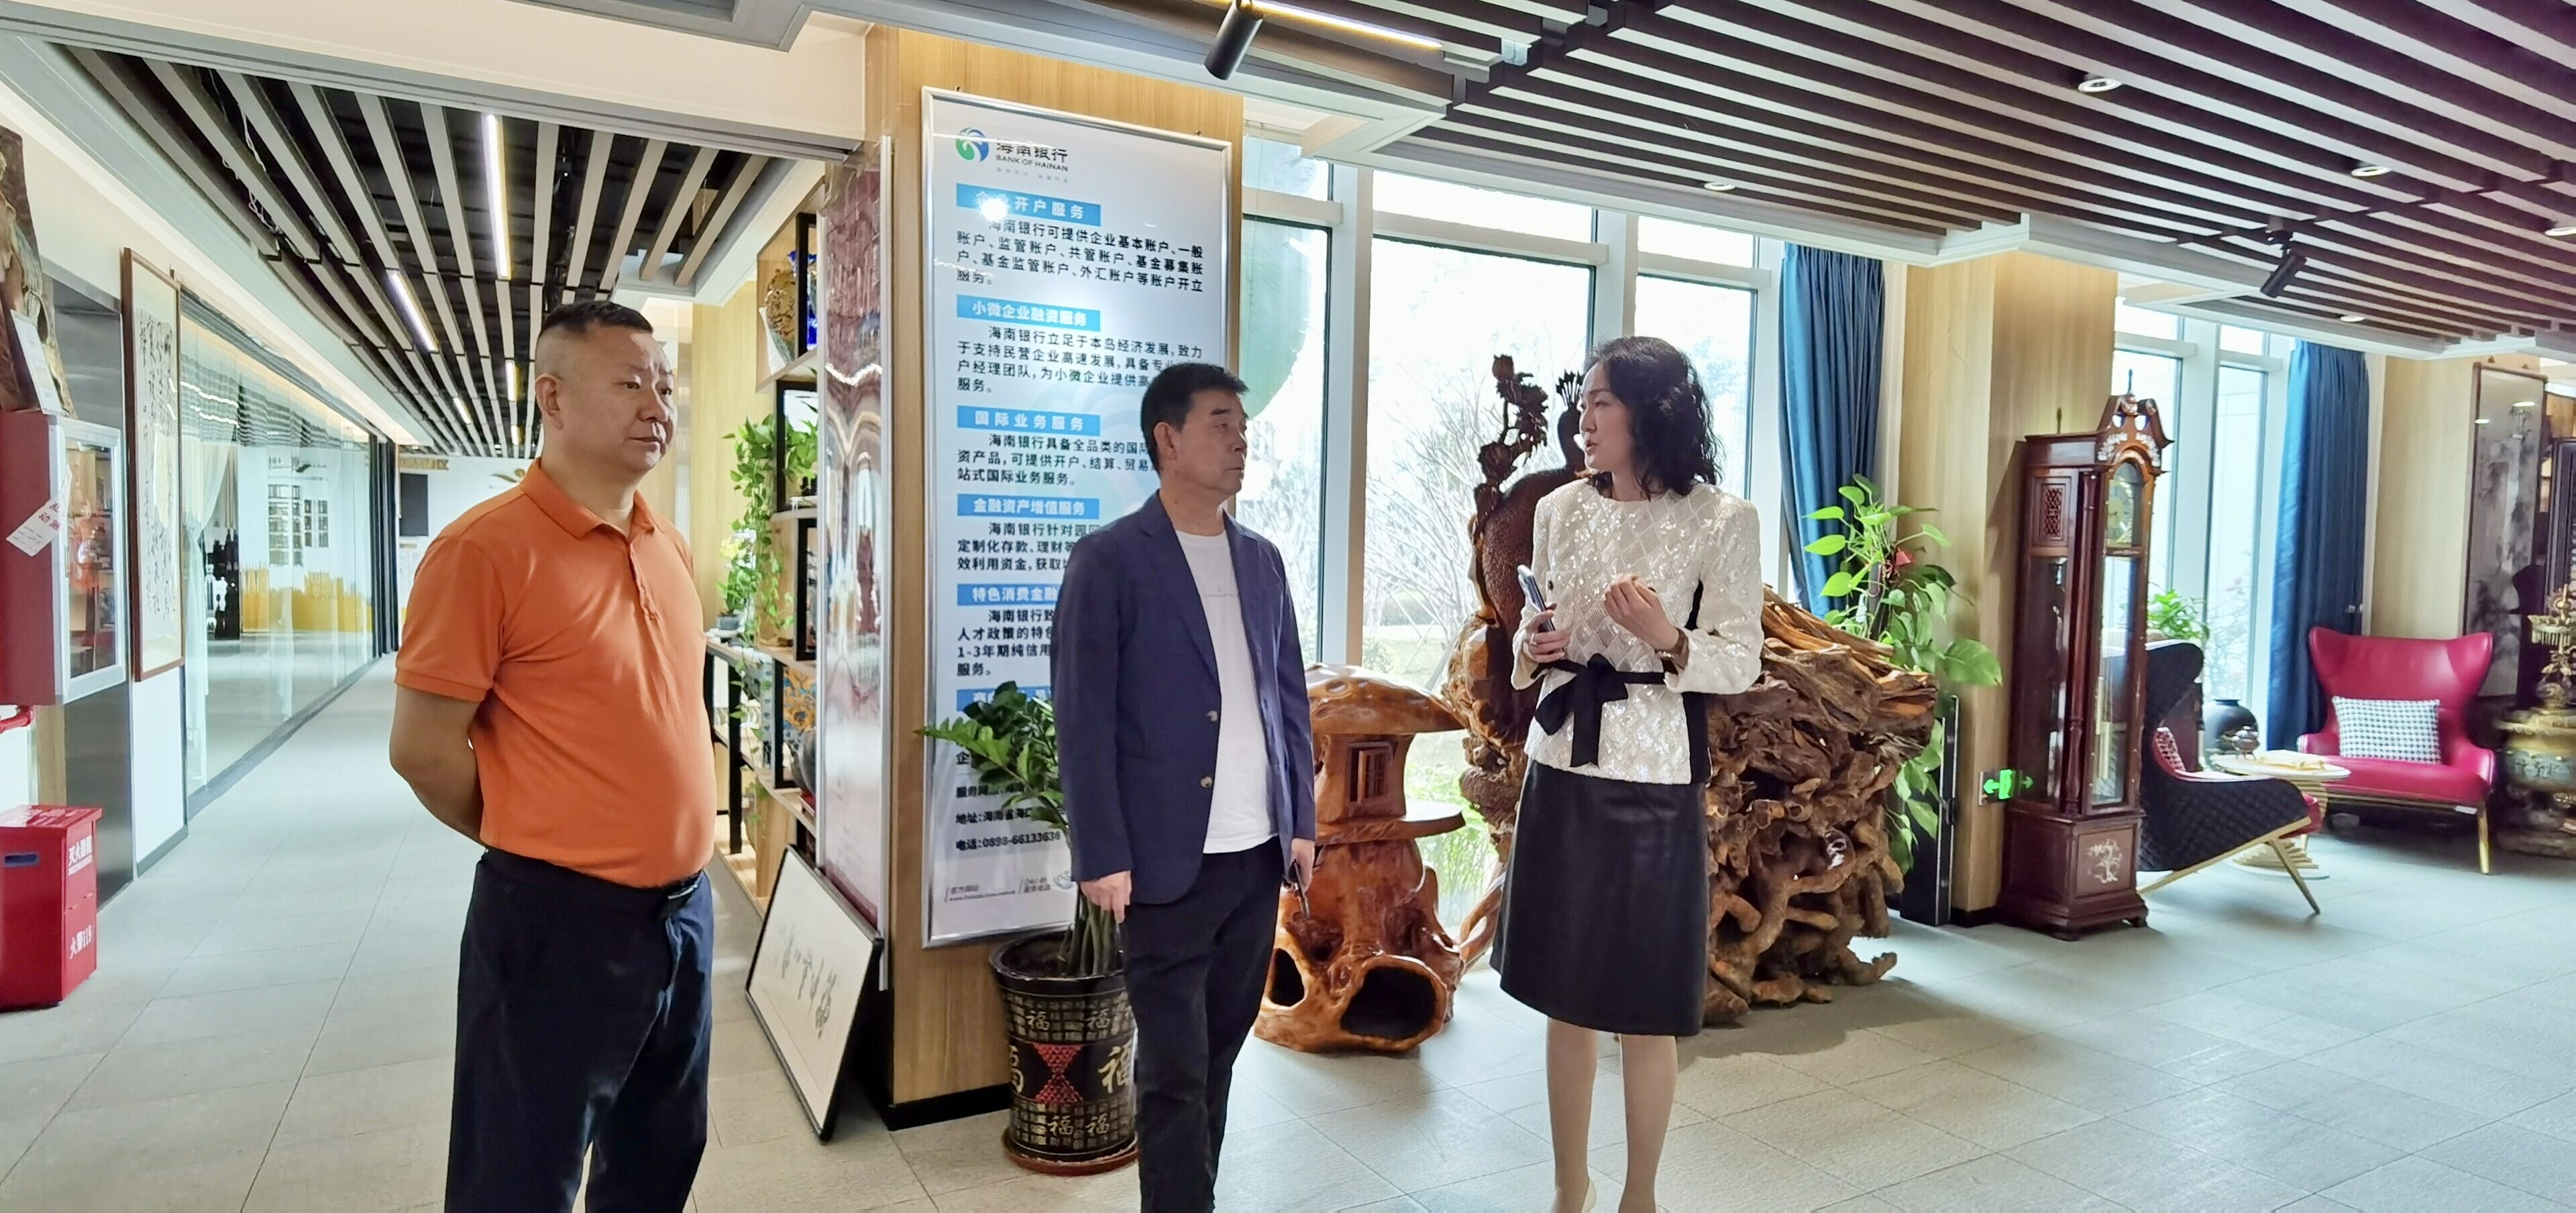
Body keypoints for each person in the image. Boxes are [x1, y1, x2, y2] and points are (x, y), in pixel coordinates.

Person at [388, 299, 714, 1213]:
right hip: (556, 923)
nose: (657, 405)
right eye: (630, 383)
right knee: (519, 1177)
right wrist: (538, 835)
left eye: (664, 385)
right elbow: (422, 750)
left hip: (683, 919)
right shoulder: (484, 551)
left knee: (659, 1158)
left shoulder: (666, 542)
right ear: (553, 398)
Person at [1498, 335, 1765, 1213]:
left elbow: (1740, 658)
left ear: (1653, 411)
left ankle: (1640, 1194)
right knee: (1563, 996)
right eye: (1582, 404)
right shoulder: (1558, 509)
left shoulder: (1722, 518)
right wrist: (1532, 644)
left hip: (1654, 772)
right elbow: (1534, 629)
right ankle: (1567, 1185)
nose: (1584, 420)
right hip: (1561, 762)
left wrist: (1666, 636)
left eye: (1601, 402)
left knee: (1646, 1001)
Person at [1052, 362, 1318, 1213]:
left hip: (1255, 856)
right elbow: (1082, 715)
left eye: (1244, 427)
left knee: (1219, 1059)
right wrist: (1101, 851)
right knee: (1173, 1071)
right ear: (1167, 439)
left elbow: (1288, 699)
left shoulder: (1263, 560)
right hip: (1163, 863)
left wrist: (1300, 821)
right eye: (1220, 423)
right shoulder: (1109, 560)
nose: (1240, 441)